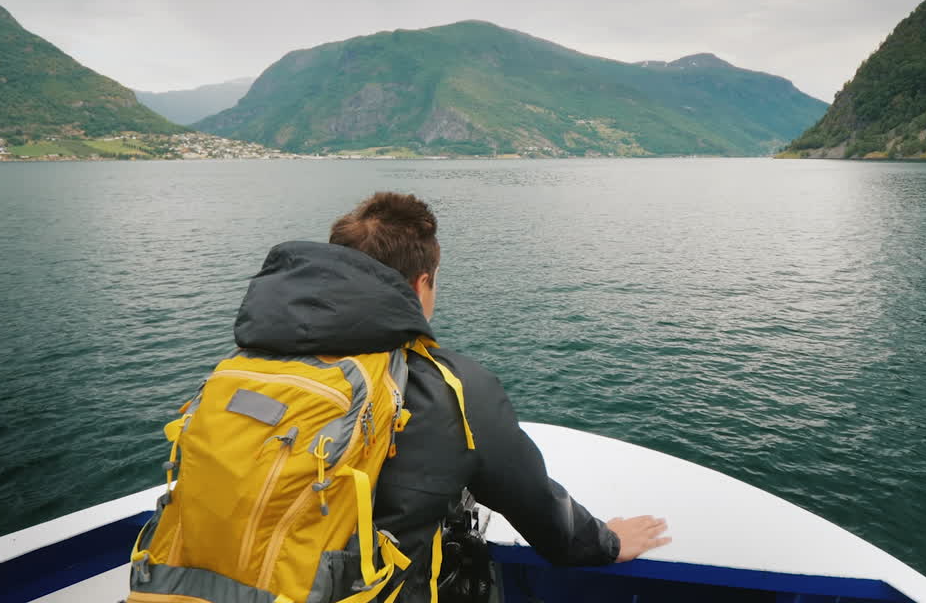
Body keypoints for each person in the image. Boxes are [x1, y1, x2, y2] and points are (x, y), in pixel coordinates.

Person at [231, 191, 670, 601]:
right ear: (422, 284)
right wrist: (607, 543)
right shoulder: (449, 388)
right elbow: (535, 505)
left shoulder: (243, 370)